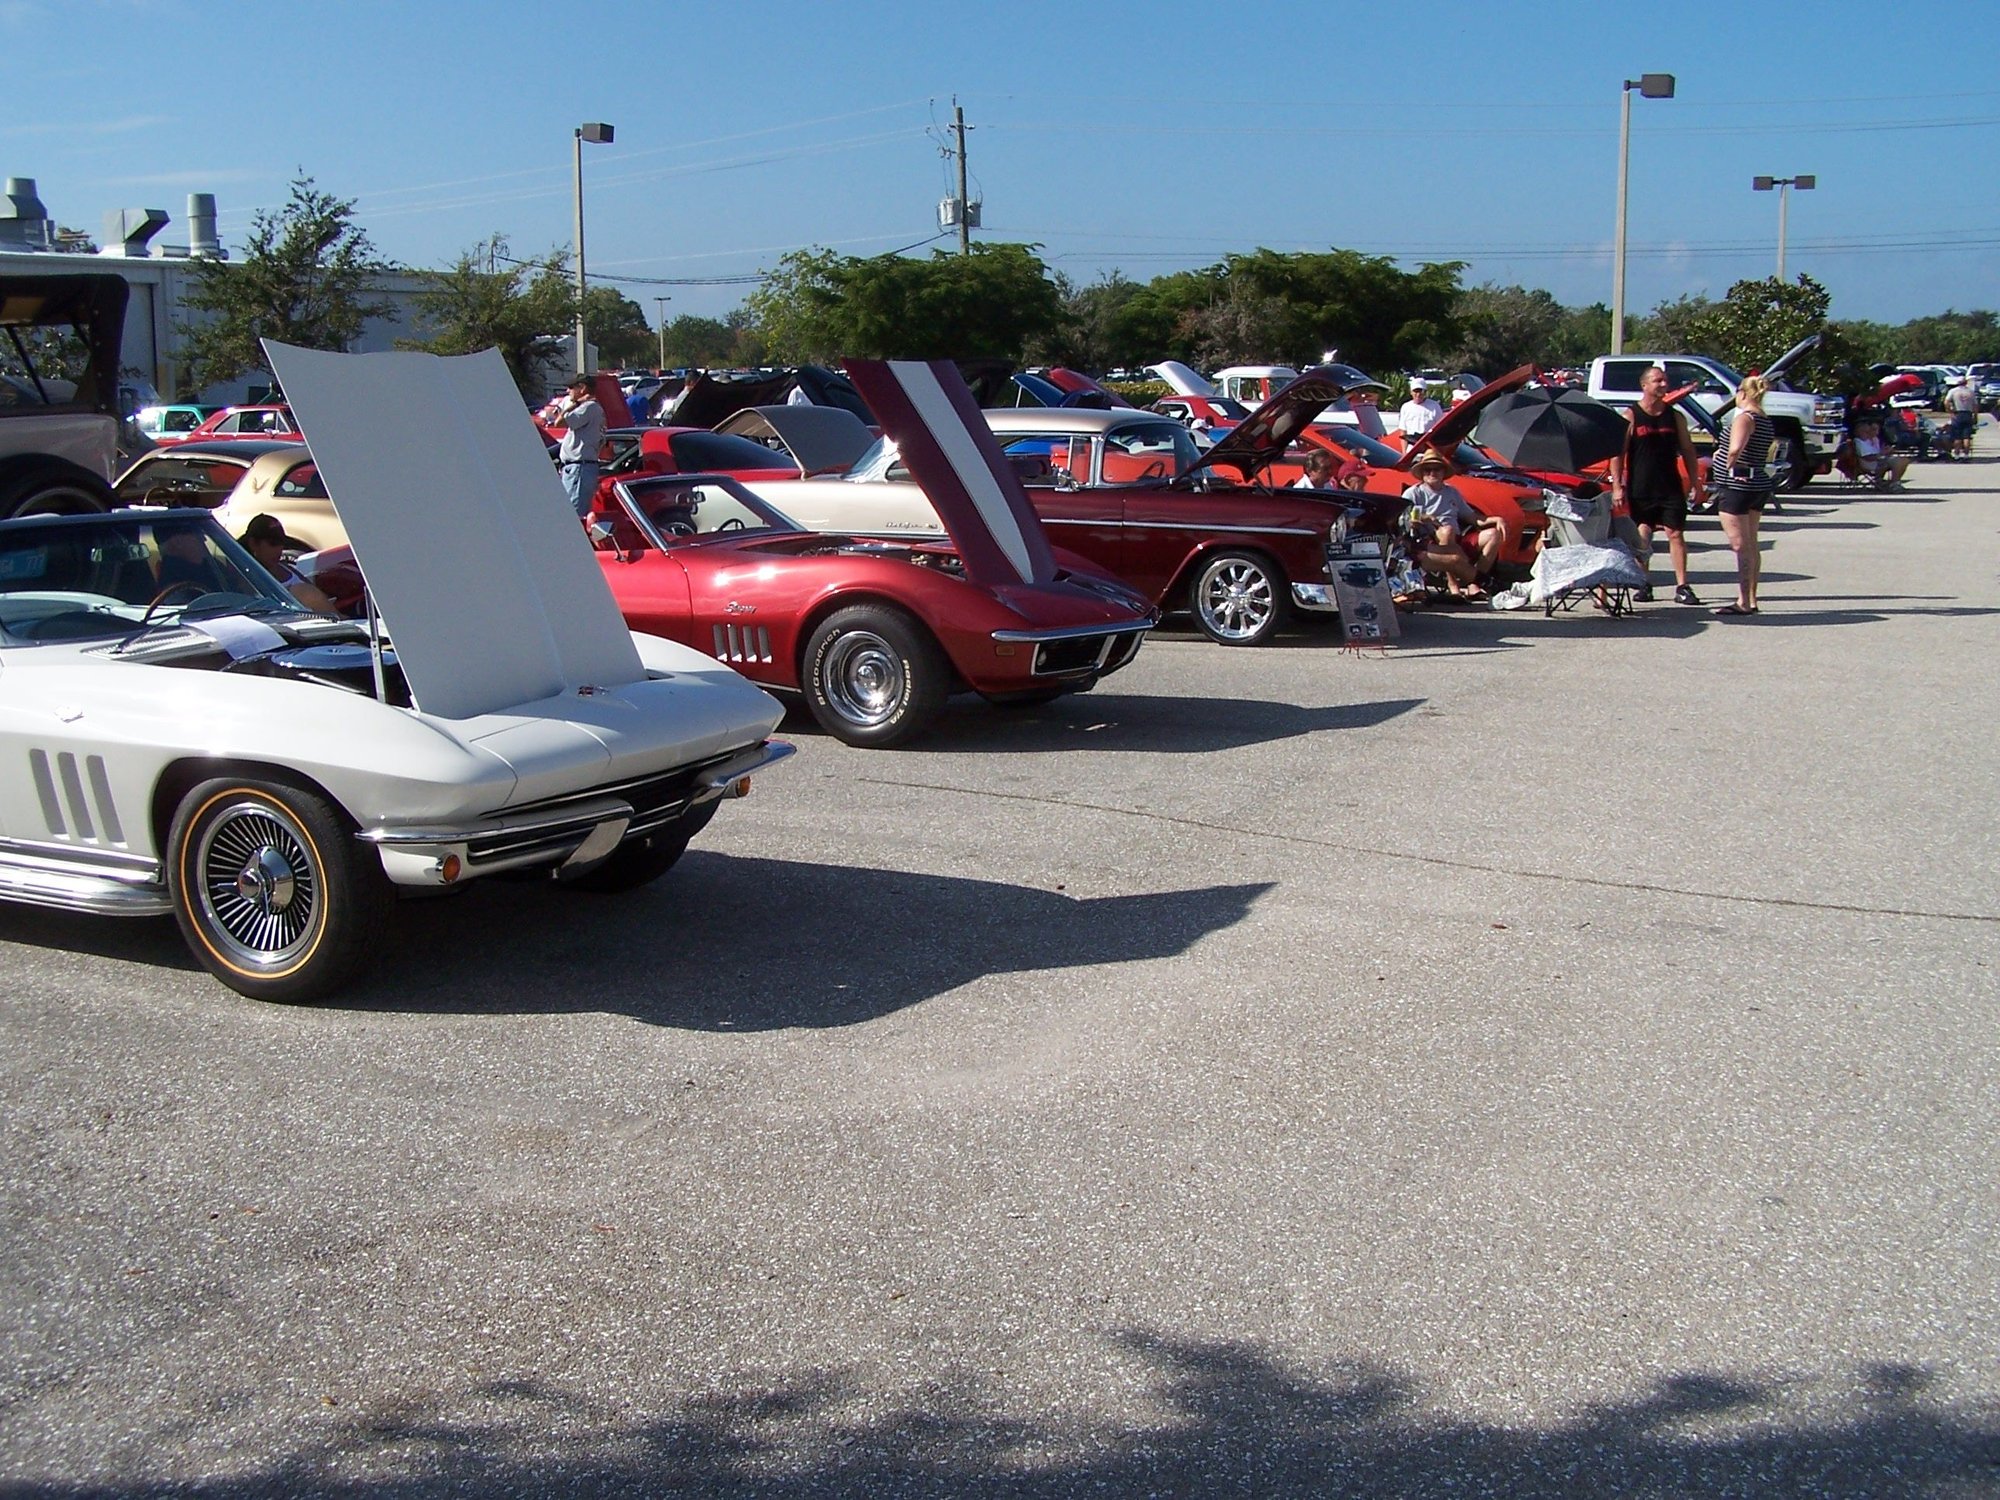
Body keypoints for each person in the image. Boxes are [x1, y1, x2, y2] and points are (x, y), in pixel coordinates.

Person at [1609, 365, 1705, 605]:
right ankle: (1643, 583)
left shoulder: (1675, 417)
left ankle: (1683, 586)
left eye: (1665, 381)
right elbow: (1617, 454)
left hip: (1670, 485)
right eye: (1658, 381)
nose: (1664, 385)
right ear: (1644, 386)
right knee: (1643, 533)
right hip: (1641, 486)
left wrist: (1696, 483)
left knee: (1676, 533)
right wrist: (1618, 487)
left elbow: (1688, 450)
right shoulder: (1631, 416)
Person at [1711, 374, 1777, 616]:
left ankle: (1743, 600)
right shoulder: (1765, 419)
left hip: (1737, 485)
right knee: (1751, 541)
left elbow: (1735, 448)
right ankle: (1751, 597)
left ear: (1743, 393)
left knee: (1739, 544)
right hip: (1756, 482)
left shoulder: (1745, 418)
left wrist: (1726, 461)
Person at [1402, 450, 1504, 601]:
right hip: (1429, 541)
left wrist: (1495, 519)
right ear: (1422, 473)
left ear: (1443, 472)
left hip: (1456, 538)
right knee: (1447, 531)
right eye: (1427, 469)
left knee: (1493, 534)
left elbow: (1472, 517)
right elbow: (1402, 517)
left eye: (1436, 469)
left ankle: (1474, 582)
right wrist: (1424, 517)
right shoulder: (1414, 493)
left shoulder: (1452, 492)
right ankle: (1453, 584)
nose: (1432, 473)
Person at [238, 513, 334, 613]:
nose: (279, 550)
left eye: (282, 543)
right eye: (273, 543)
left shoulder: (289, 569)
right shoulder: (246, 581)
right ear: (253, 543)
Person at [552, 374, 607, 520]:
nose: (568, 391)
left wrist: (575, 404)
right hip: (577, 467)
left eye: (571, 388)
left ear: (582, 388)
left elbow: (559, 422)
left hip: (579, 467)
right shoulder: (592, 408)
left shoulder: (588, 407)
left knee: (572, 516)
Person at [1850, 417, 1909, 488]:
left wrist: (1887, 451)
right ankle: (1894, 483)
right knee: (1898, 462)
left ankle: (1894, 482)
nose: (1877, 432)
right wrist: (1882, 454)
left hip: (1879, 461)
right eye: (1874, 430)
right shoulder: (1858, 442)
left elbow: (1879, 453)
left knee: (1904, 460)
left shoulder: (1875, 440)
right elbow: (1867, 457)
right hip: (1869, 463)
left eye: (1877, 430)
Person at [1946, 374, 1980, 458]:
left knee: (1957, 436)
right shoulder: (1970, 392)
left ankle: (1957, 455)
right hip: (1968, 413)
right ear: (1965, 383)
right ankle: (1966, 455)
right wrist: (1975, 416)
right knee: (1966, 436)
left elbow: (1946, 402)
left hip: (1957, 413)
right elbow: (1975, 405)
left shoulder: (1953, 391)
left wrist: (1950, 412)